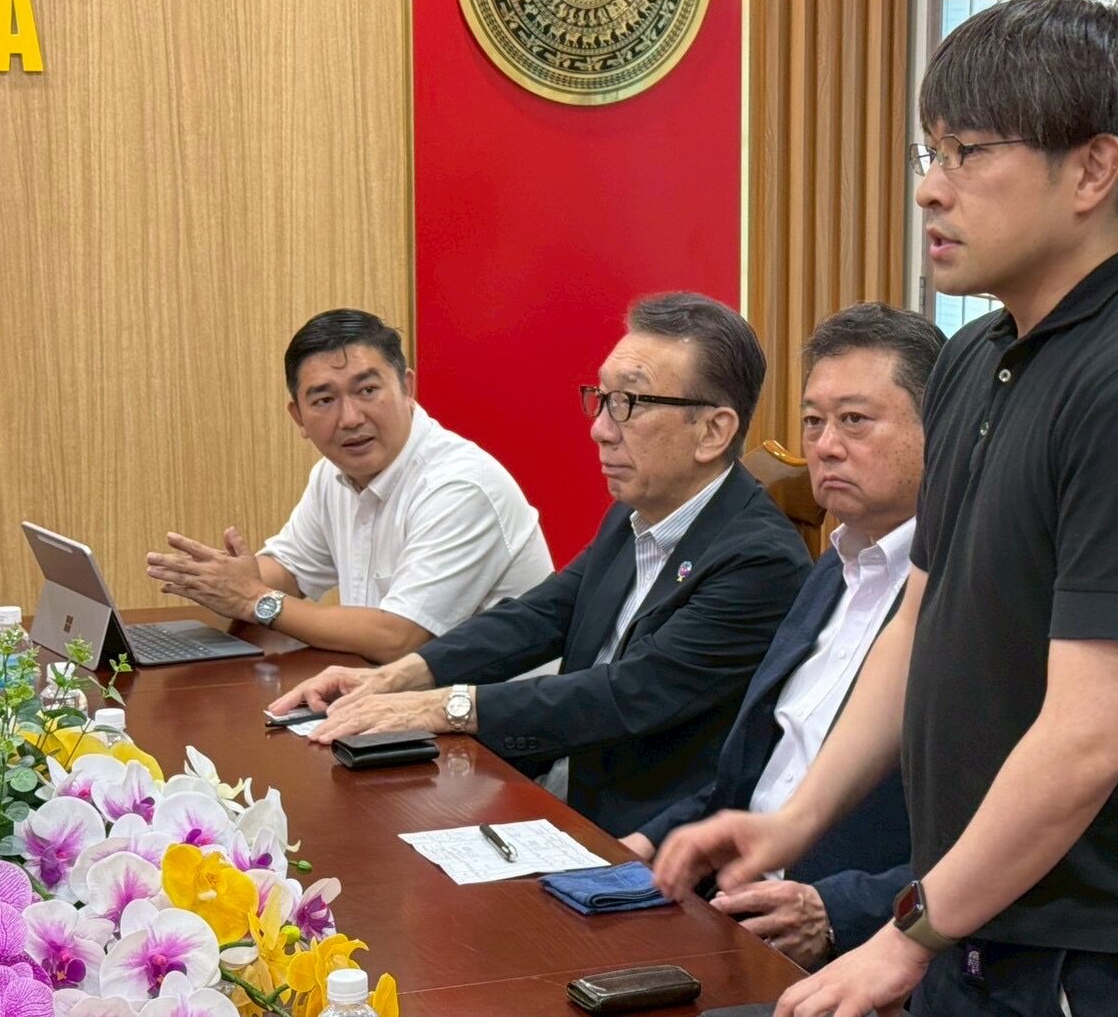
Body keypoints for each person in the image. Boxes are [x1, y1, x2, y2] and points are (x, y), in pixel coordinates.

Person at [655, 0, 1118, 1016]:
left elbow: (1088, 739)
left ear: (1092, 169)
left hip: (1105, 947)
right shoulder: (981, 353)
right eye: (928, 152)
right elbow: (919, 620)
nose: (929, 188)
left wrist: (907, 938)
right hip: (978, 914)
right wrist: (797, 819)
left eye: (968, 152)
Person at [267, 293, 812, 835]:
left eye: (630, 403)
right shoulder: (636, 514)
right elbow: (539, 615)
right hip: (566, 782)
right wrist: (393, 678)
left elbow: (628, 693)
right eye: (602, 398)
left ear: (713, 431)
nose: (600, 428)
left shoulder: (759, 560)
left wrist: (440, 707)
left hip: (652, 833)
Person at [622, 302, 941, 969]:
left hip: (855, 950)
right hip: (726, 906)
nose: (824, 445)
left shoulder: (968, 600)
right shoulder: (831, 571)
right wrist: (651, 842)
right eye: (813, 421)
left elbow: (999, 839)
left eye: (854, 420)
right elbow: (756, 772)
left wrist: (839, 915)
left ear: (939, 427)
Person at [146, 308, 552, 664]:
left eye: (367, 390)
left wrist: (253, 598)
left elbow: (399, 638)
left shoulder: (460, 487)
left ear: (407, 389)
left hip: (490, 719)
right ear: (299, 418)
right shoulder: (332, 475)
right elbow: (290, 571)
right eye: (324, 400)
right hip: (386, 698)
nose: (351, 418)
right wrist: (229, 578)